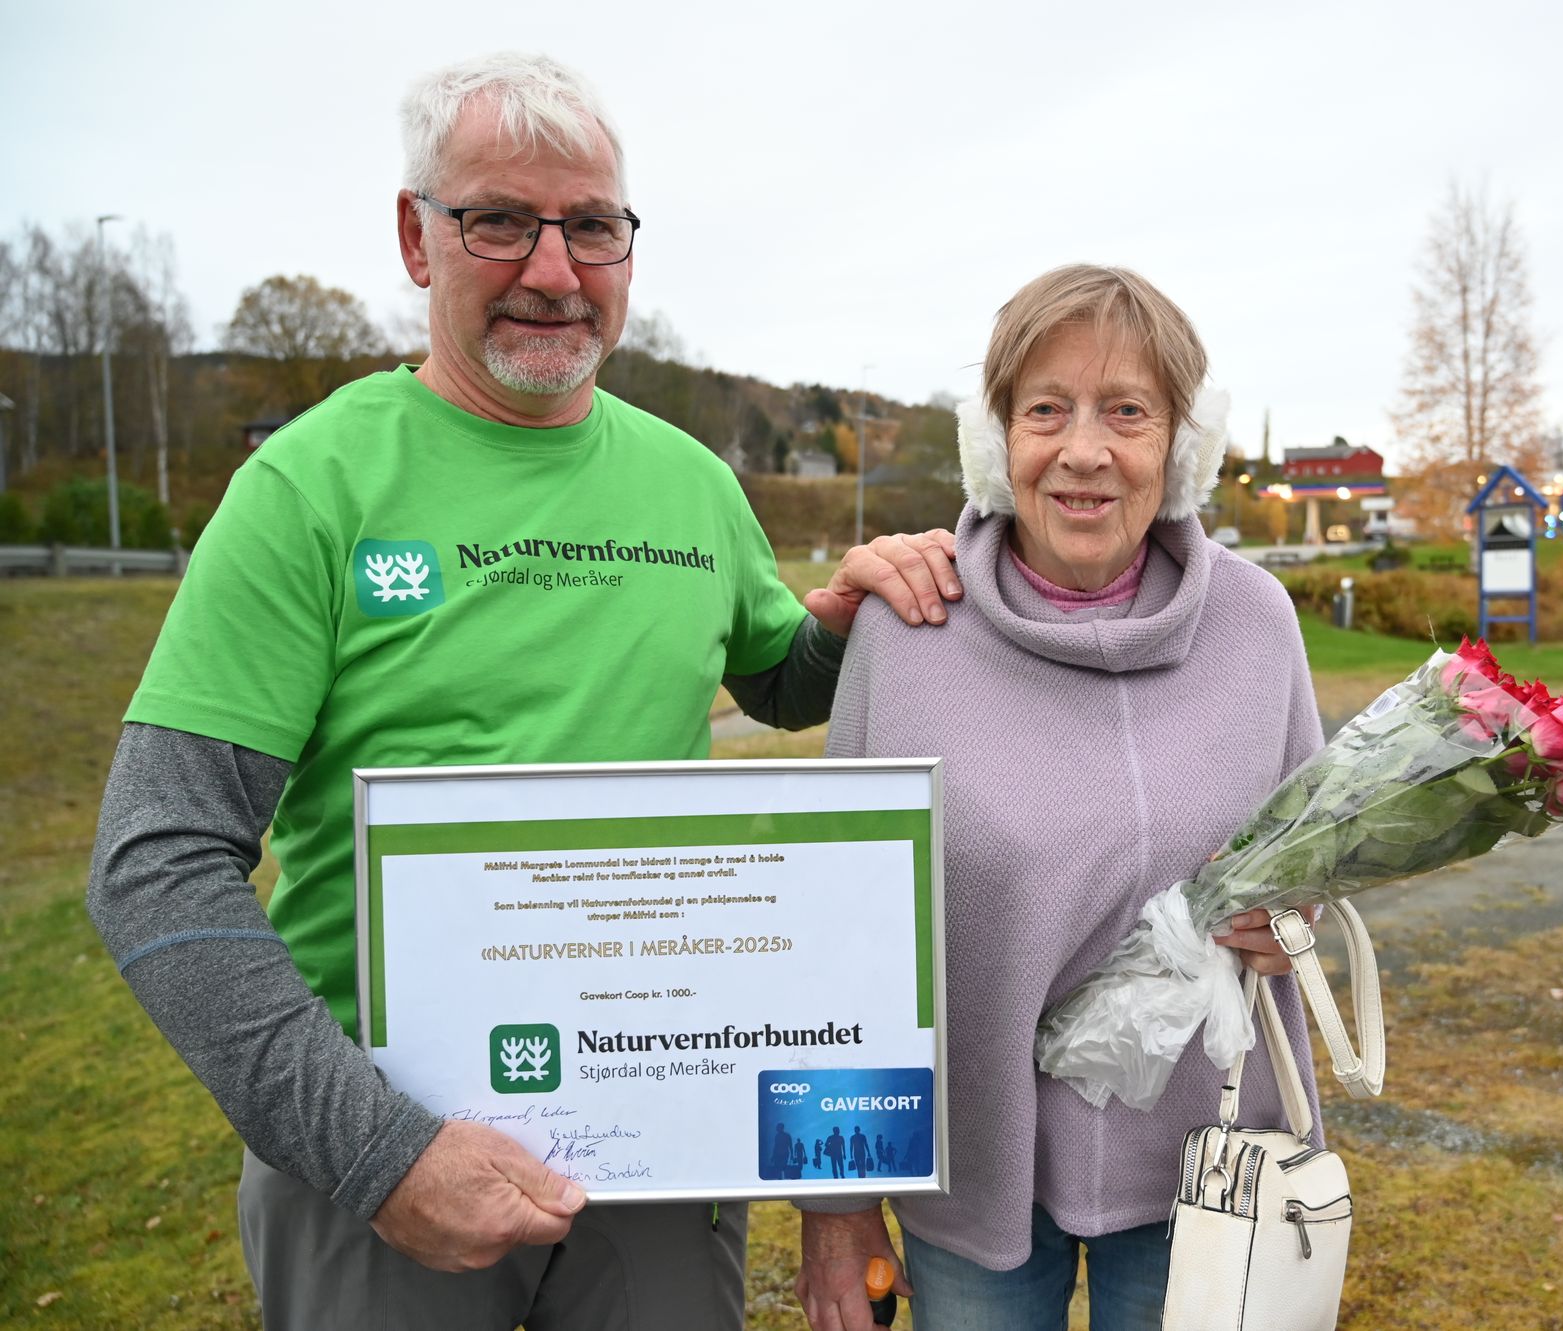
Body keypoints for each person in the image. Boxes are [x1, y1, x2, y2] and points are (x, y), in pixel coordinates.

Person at [85, 52, 957, 1331]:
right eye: (498, 218)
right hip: (380, 1168)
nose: (553, 268)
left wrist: (855, 609)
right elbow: (155, 856)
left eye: (592, 225)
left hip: (665, 1133)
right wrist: (377, 1152)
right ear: (415, 235)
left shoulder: (689, 481)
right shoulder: (309, 489)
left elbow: (776, 680)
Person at [794, 265, 1325, 1331]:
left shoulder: (1257, 621)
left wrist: (1301, 919)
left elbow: (1318, 862)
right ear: (993, 441)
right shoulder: (908, 628)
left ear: (1180, 444)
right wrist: (835, 1203)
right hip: (970, 1174)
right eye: (1045, 409)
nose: (1083, 449)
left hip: (1204, 1171)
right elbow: (836, 934)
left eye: (1125, 410)